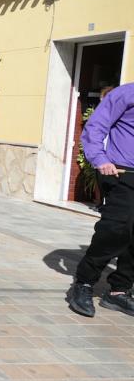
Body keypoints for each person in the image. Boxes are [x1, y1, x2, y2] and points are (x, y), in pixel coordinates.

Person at [68, 82, 134, 318]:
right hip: (120, 172)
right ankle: (84, 282)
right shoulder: (126, 93)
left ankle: (119, 291)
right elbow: (95, 126)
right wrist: (100, 158)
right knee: (115, 231)